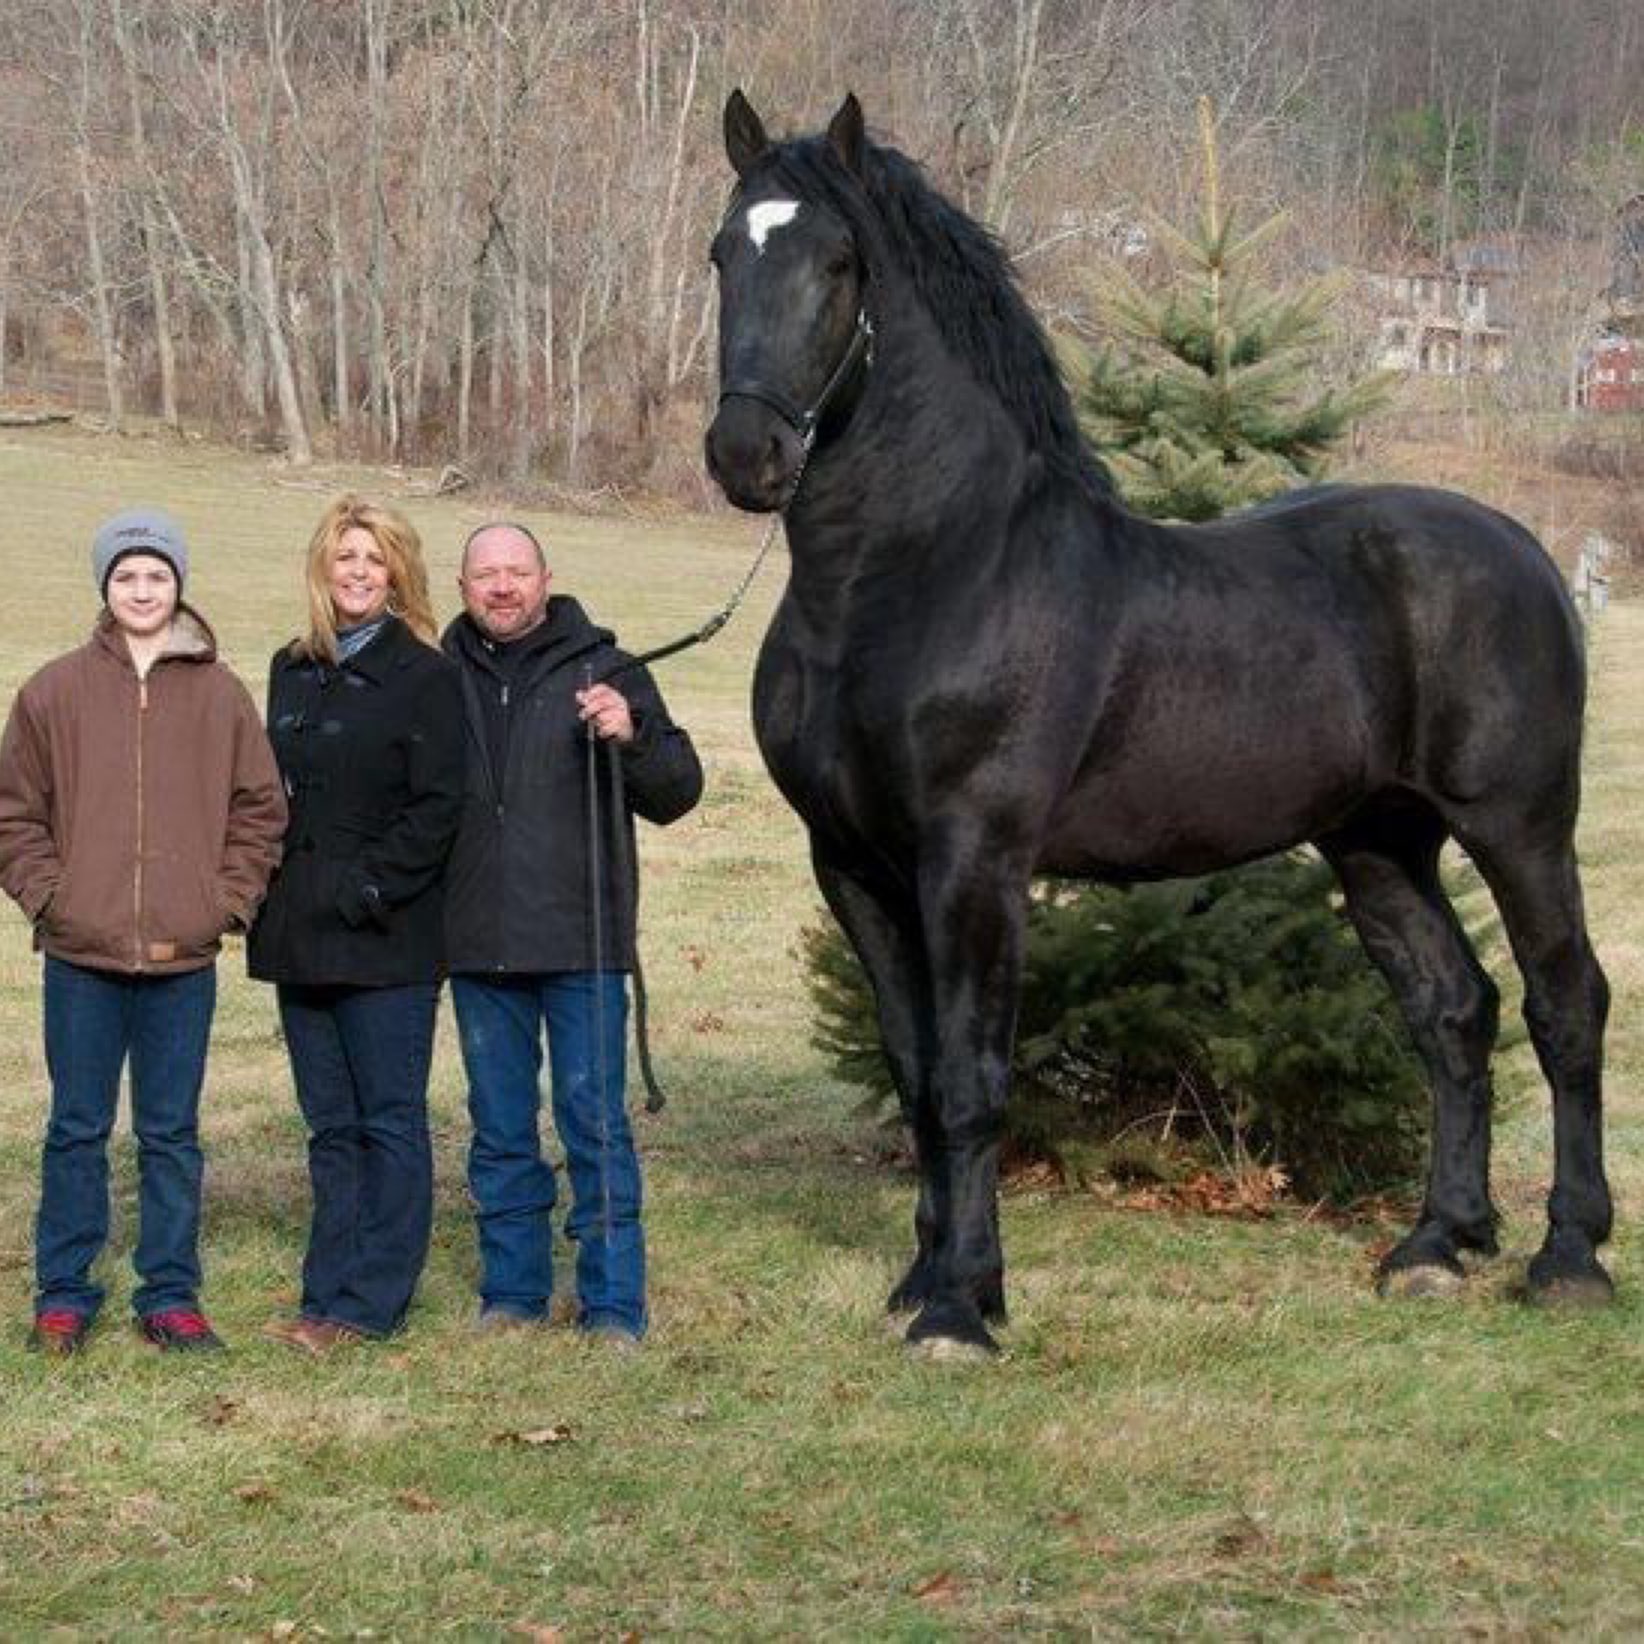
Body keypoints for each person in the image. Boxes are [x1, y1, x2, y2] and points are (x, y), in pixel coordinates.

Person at [0, 509, 286, 1354]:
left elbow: (260, 812)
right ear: (105, 587)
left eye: (156, 576)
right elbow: (15, 814)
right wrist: (51, 898)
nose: (142, 589)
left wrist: (224, 903)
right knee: (77, 1126)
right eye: (126, 576)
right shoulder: (53, 691)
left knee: (171, 1132)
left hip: (180, 957)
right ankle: (63, 1290)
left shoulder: (222, 694)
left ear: (178, 585)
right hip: (80, 955)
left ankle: (169, 1293)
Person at [443, 522, 702, 1343]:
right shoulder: (436, 675)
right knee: (500, 1129)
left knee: (593, 1124)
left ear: (547, 579)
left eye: (517, 571)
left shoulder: (607, 668)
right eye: (486, 574)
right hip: (479, 944)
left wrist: (632, 735)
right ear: (463, 586)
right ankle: (513, 1295)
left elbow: (679, 790)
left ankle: (613, 1307)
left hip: (582, 944)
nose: (503, 586)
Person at [250, 496, 464, 1354]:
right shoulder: (291, 666)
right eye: (345, 559)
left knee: (389, 1120)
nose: (359, 574)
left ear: (398, 572)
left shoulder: (426, 675)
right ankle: (324, 1289)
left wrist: (370, 889)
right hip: (299, 934)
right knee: (329, 1125)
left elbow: (439, 805)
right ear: (322, 569)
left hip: (386, 938)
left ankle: (372, 1301)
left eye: (374, 560)